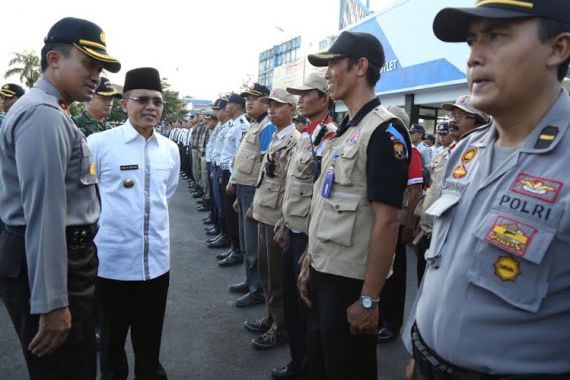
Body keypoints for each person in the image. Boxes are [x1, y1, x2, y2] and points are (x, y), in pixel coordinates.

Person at [406, 1, 570, 379]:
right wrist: (416, 345)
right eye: (470, 41)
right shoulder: (468, 149)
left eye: (496, 36)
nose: (474, 57)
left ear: (558, 48)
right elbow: (441, 265)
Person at [0, 17, 120, 379]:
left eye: (99, 67)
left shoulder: (55, 110)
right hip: (55, 266)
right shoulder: (43, 115)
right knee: (66, 370)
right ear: (54, 59)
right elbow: (45, 215)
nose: (96, 75)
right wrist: (52, 304)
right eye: (88, 63)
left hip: (63, 260)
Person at [298, 31, 411, 379]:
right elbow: (328, 200)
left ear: (361, 66)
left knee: (349, 370)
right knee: (320, 365)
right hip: (325, 272)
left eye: (333, 63)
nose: (328, 72)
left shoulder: (385, 131)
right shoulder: (348, 129)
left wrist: (369, 300)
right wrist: (310, 260)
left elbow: (388, 222)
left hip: (351, 284)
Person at [88, 67, 179, 380]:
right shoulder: (99, 144)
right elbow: (87, 197)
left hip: (155, 266)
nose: (150, 107)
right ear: (125, 103)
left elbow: (167, 194)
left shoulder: (170, 149)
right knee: (111, 349)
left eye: (157, 101)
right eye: (142, 99)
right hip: (112, 265)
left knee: (149, 349)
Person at [271, 73, 337, 379]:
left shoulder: (329, 137)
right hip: (294, 230)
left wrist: (311, 246)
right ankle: (297, 363)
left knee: (309, 312)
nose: (299, 98)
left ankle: (309, 368)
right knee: (294, 309)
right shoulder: (307, 134)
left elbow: (322, 195)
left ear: (324, 99)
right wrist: (284, 222)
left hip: (310, 238)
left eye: (306, 93)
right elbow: (293, 183)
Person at [248, 88, 300, 350]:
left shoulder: (296, 141)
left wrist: (284, 222)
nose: (271, 109)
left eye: (278, 105)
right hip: (264, 213)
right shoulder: (277, 138)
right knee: (266, 273)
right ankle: (270, 317)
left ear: (291, 109)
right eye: (269, 105)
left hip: (277, 218)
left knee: (278, 277)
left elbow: (291, 187)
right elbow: (266, 178)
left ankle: (280, 328)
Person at [376, 106, 423, 344]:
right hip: (381, 219)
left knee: (395, 275)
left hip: (398, 220)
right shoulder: (386, 147)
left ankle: (391, 323)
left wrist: (408, 224)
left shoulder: (411, 151)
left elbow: (415, 191)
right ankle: (380, 315)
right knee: (380, 270)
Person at [225, 83, 271, 307]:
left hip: (254, 191)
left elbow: (266, 166)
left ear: (266, 101)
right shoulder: (254, 125)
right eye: (247, 98)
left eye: (254, 98)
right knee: (246, 243)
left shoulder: (267, 126)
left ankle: (258, 290)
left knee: (254, 245)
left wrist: (257, 200)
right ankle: (250, 281)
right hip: (244, 189)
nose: (249, 102)